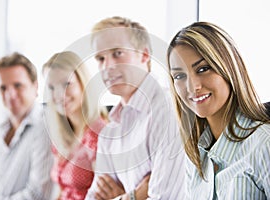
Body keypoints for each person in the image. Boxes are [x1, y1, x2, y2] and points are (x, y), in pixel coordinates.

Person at [86, 16, 185, 200]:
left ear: (144, 55)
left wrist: (123, 197)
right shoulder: (110, 130)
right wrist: (134, 196)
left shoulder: (168, 110)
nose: (107, 66)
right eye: (100, 58)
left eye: (117, 53)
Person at [167, 21, 270, 199]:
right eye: (179, 76)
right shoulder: (195, 155)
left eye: (203, 69)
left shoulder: (263, 144)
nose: (193, 87)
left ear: (228, 67)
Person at [0, 52, 53, 199]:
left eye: (18, 85)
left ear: (35, 87)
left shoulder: (46, 126)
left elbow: (38, 193)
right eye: (3, 88)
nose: (10, 94)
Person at [42, 51, 108, 200]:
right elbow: (62, 191)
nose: (59, 94)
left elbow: (105, 195)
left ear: (83, 82)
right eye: (51, 87)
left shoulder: (99, 134)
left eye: (66, 84)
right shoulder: (63, 134)